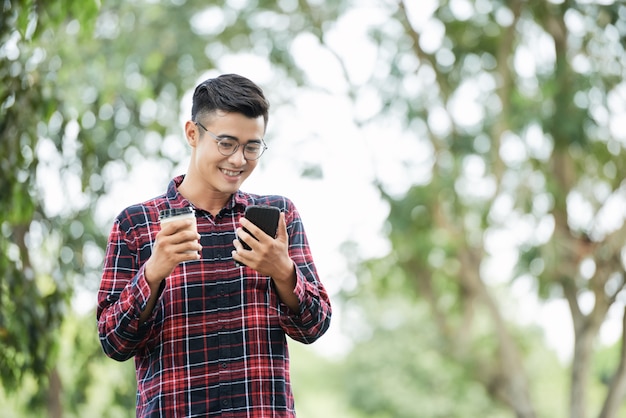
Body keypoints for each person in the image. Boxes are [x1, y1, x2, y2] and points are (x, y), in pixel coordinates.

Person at [97, 73, 332, 417]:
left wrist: (283, 271)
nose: (239, 160)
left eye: (252, 146)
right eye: (226, 143)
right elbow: (113, 342)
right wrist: (153, 273)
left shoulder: (279, 218)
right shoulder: (136, 225)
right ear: (192, 133)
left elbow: (315, 326)